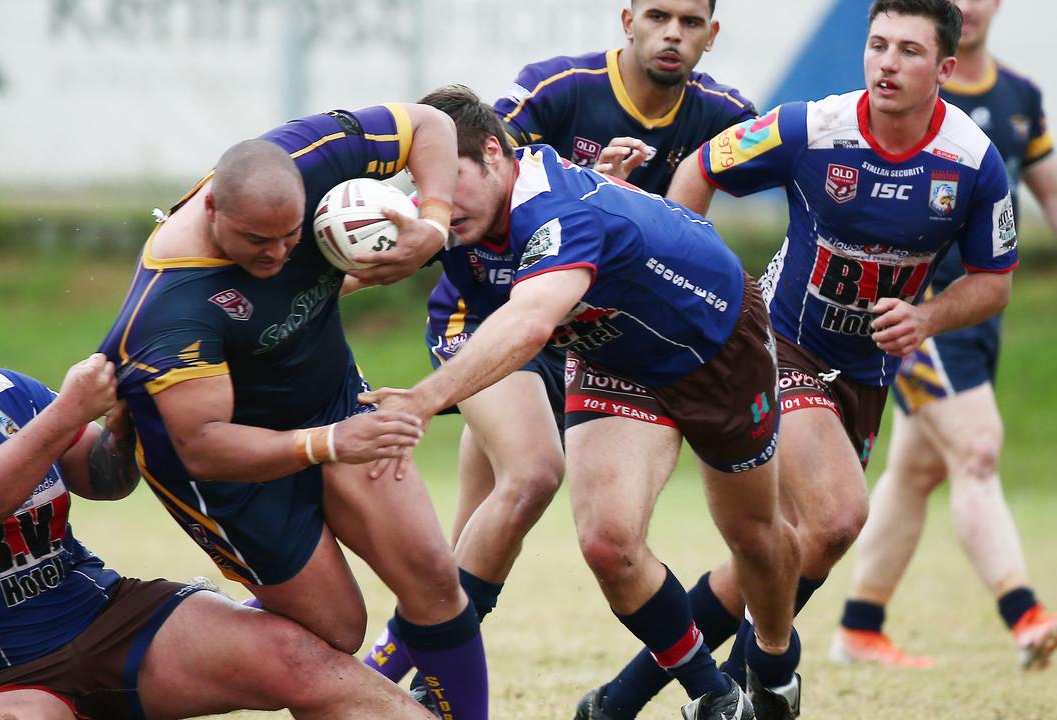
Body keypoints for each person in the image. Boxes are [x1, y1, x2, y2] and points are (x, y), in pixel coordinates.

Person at [363, 3, 762, 703]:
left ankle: (421, 667)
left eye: (690, 19)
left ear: (492, 156)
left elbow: (533, 316)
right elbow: (512, 314)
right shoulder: (535, 111)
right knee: (534, 475)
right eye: (429, 189)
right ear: (627, 18)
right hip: (504, 317)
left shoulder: (562, 205)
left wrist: (425, 400)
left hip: (619, 326)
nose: (439, 207)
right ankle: (400, 672)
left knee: (766, 539)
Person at [0, 283, 431, 720]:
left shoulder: (7, 392)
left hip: (103, 616)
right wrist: (68, 411)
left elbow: (103, 479)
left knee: (302, 659)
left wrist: (124, 428)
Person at [666, 0, 1018, 695]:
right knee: (837, 515)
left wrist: (927, 318)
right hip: (783, 345)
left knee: (803, 540)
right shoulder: (810, 126)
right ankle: (755, 682)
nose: (887, 62)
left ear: (945, 67)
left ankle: (626, 696)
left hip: (867, 372)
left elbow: (994, 283)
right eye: (878, 44)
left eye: (909, 51)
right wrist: (689, 285)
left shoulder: (973, 162)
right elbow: (701, 170)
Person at [97, 104, 493, 719]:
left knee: (433, 577)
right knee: (335, 631)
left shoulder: (311, 154)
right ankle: (163, 649)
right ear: (210, 210)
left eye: (291, 235)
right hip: (227, 475)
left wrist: (434, 223)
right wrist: (330, 443)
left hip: (331, 399)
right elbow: (203, 446)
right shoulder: (171, 307)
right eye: (258, 240)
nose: (280, 253)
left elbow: (430, 125)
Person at [833, 0, 1057, 670]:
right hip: (916, 315)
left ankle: (859, 627)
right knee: (979, 448)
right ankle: (1027, 616)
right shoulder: (901, 92)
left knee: (917, 469)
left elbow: (1047, 192)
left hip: (977, 314)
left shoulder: (1020, 97)